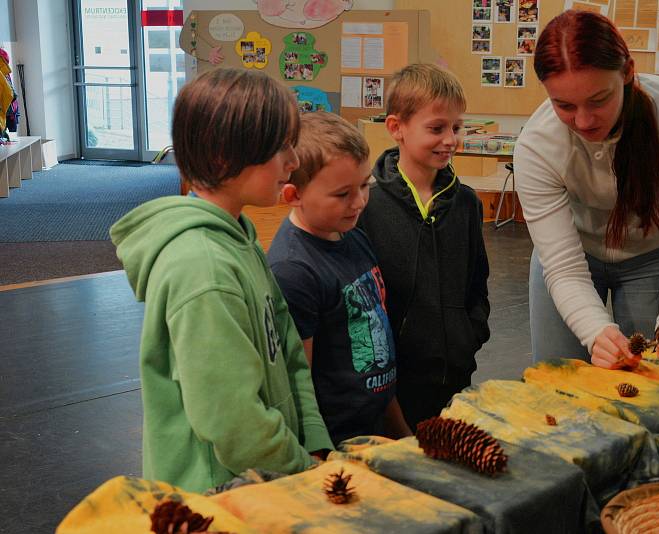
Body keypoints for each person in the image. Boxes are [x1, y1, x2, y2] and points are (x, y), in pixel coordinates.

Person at [110, 68, 334, 493]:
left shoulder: (240, 235)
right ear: (222, 157)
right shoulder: (203, 268)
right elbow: (232, 420)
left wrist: (315, 443)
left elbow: (287, 349)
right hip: (218, 496)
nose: (295, 160)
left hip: (266, 481)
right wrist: (302, 473)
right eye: (281, 146)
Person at [514, 10, 659, 376]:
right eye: (564, 105)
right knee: (561, 383)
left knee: (658, 379)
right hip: (570, 260)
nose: (585, 121)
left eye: (599, 99)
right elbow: (563, 268)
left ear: (627, 72)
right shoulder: (537, 145)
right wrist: (597, 332)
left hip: (652, 258)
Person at [358, 63, 490, 430]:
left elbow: (477, 285)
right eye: (436, 128)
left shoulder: (466, 204)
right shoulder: (365, 204)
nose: (450, 139)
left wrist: (469, 335)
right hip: (390, 388)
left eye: (456, 128)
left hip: (454, 380)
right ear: (396, 128)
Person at [267, 111, 411, 445]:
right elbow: (298, 383)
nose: (359, 202)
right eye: (342, 194)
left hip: (376, 425)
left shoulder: (353, 236)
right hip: (336, 442)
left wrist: (402, 433)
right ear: (294, 195)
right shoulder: (293, 271)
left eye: (365, 186)